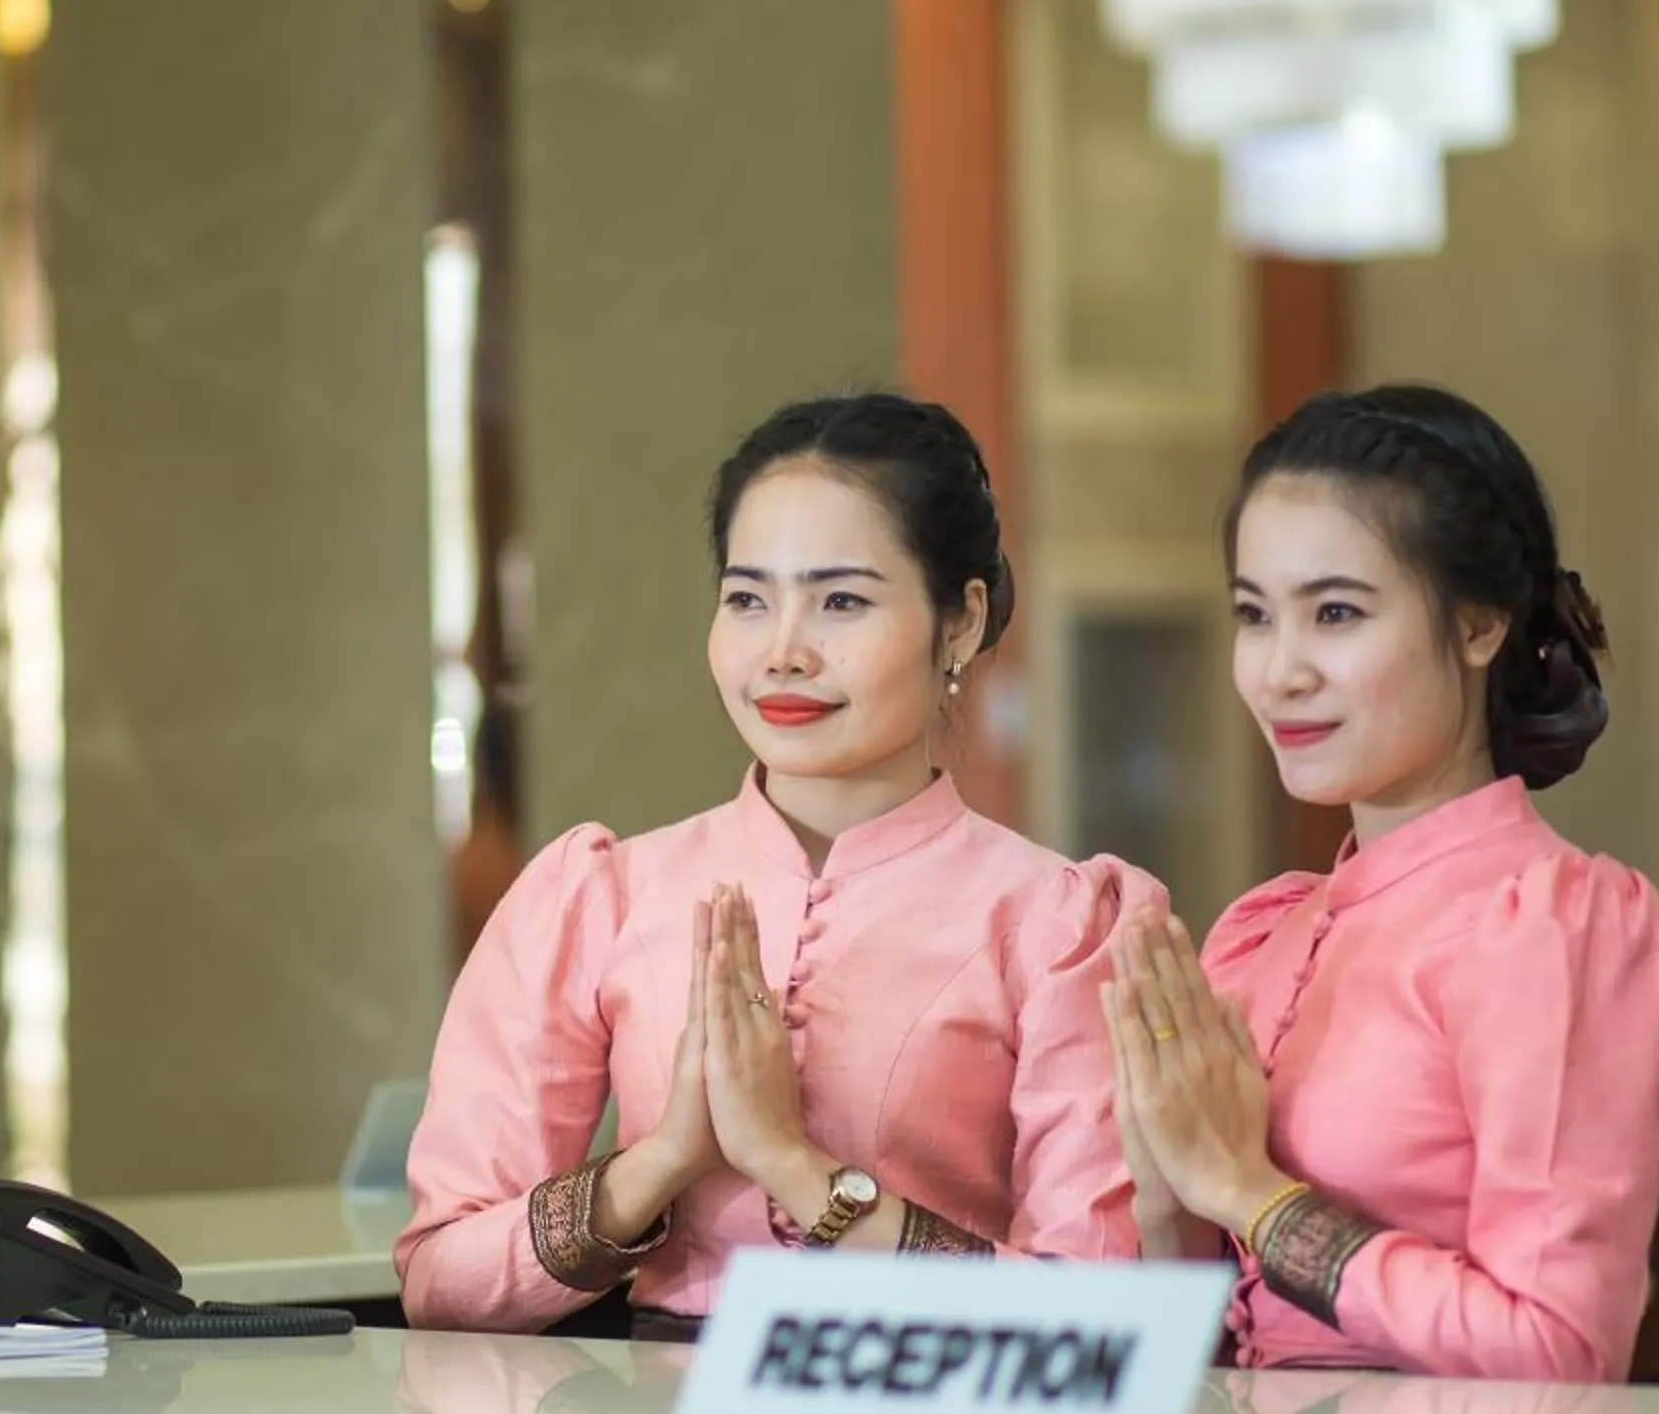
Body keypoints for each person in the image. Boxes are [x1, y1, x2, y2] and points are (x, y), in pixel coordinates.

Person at [397, 392, 1160, 1337]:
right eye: (748, 599)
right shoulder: (602, 896)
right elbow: (440, 1281)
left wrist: (796, 1170)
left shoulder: (1062, 925)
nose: (783, 652)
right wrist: (662, 1160)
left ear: (960, 622)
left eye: (841, 600)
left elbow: (1101, 1322)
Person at [1106, 384, 1659, 1383]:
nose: (1280, 670)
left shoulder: (1548, 920)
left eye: (1335, 612)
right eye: (1254, 615)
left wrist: (1250, 1190)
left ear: (1478, 624)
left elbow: (1561, 1352)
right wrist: (1162, 1192)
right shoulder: (1263, 931)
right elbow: (1197, 1341)